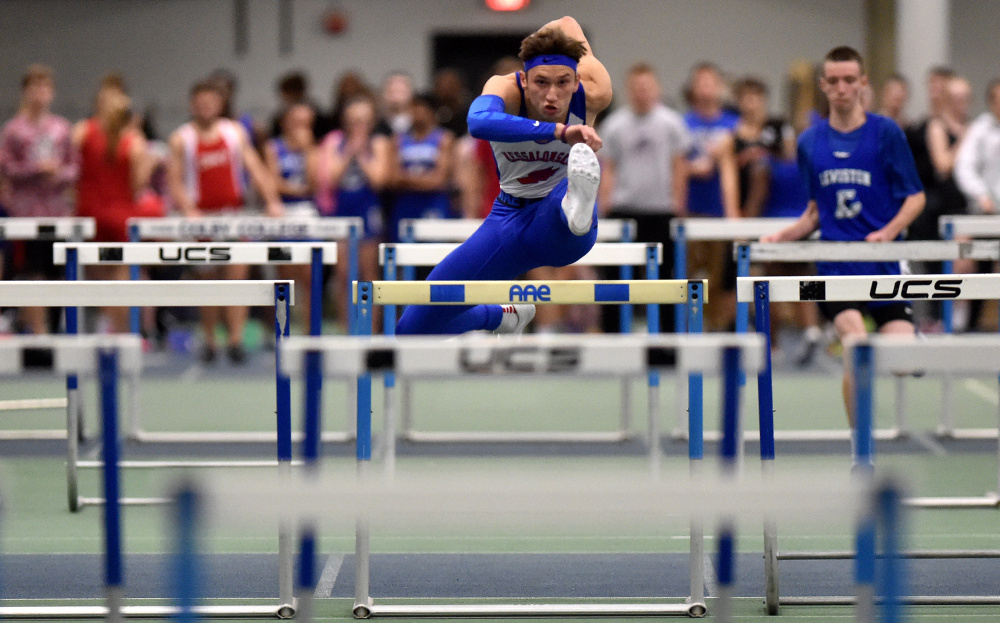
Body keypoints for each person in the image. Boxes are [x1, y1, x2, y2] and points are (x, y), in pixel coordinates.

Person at [395, 15, 612, 336]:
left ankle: (573, 205)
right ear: (523, 80)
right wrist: (559, 131)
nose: (552, 95)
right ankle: (500, 317)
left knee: (566, 190)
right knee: (411, 330)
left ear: (577, 80)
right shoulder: (505, 88)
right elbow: (478, 122)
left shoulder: (594, 91)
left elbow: (568, 22)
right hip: (509, 220)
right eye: (541, 82)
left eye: (563, 82)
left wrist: (560, 38)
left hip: (565, 231)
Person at [761, 46, 925, 429]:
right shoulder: (809, 142)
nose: (842, 88)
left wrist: (887, 232)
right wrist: (782, 237)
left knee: (904, 366)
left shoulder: (886, 133)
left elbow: (915, 197)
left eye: (850, 80)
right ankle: (861, 454)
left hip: (884, 262)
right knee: (855, 347)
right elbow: (815, 212)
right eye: (833, 81)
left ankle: (912, 343)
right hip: (836, 266)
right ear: (823, 85)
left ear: (863, 84)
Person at [167, 80, 283, 364]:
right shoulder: (181, 139)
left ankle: (235, 340)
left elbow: (254, 166)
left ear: (220, 104)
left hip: (233, 216)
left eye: (211, 101)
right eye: (201, 102)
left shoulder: (234, 133)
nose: (206, 107)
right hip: (201, 220)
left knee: (237, 279)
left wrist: (271, 200)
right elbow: (175, 180)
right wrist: (189, 209)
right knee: (207, 281)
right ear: (192, 105)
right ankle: (209, 340)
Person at [597, 62, 690, 333]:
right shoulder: (614, 125)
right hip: (623, 211)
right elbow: (608, 169)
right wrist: (605, 207)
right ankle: (612, 339)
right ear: (629, 90)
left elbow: (679, 165)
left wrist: (678, 204)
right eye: (637, 88)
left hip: (661, 211)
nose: (642, 92)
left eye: (647, 87)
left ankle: (668, 342)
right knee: (615, 280)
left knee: (664, 280)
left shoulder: (671, 122)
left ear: (656, 88)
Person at [73, 74, 159, 333]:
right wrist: (151, 163)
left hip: (89, 214)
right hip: (121, 214)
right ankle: (122, 334)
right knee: (123, 281)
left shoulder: (82, 131)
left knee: (100, 281)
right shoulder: (134, 141)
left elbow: (71, 171)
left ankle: (109, 331)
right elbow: (137, 186)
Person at [0, 64, 78, 334]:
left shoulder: (61, 128)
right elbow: (6, 167)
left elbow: (74, 168)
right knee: (33, 272)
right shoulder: (13, 130)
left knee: (57, 271)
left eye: (44, 87)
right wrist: (35, 169)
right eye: (34, 87)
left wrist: (58, 173)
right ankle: (37, 332)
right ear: (25, 92)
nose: (39, 93)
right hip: (25, 215)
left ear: (52, 92)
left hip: (56, 212)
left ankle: (57, 330)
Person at [315, 95, 392, 331]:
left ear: (372, 122)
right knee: (342, 275)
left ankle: (371, 330)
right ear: (345, 122)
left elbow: (379, 180)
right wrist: (349, 152)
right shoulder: (333, 143)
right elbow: (332, 179)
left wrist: (361, 155)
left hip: (367, 212)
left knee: (369, 275)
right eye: (354, 121)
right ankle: (347, 330)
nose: (359, 126)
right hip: (341, 213)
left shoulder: (379, 144)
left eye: (364, 121)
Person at [682, 62, 740, 331]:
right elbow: (673, 166)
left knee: (720, 277)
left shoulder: (733, 125)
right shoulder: (682, 124)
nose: (705, 88)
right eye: (700, 82)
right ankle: (692, 327)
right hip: (691, 211)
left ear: (719, 87)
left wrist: (734, 217)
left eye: (710, 82)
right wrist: (695, 168)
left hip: (720, 212)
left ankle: (719, 327)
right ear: (693, 88)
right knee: (690, 275)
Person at [264, 102, 318, 327]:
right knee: (283, 274)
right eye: (296, 121)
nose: (300, 127)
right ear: (285, 122)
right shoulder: (273, 147)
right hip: (282, 212)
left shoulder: (313, 148)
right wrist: (297, 188)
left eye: (306, 123)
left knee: (309, 276)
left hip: (307, 211)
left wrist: (307, 150)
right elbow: (273, 182)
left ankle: (310, 332)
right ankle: (281, 329)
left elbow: (315, 184)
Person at [389, 93, 456, 242]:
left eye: (422, 109)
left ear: (431, 112)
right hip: (405, 206)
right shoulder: (398, 140)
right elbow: (393, 179)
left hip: (434, 205)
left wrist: (406, 179)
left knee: (435, 254)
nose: (418, 114)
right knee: (403, 254)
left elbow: (439, 180)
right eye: (414, 109)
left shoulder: (444, 139)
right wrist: (425, 179)